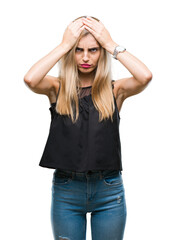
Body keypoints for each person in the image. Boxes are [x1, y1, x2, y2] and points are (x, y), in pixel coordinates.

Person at [24, 15, 152, 240]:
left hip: (108, 190)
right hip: (67, 189)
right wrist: (64, 45)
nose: (85, 57)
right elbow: (31, 79)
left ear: (101, 52)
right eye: (78, 50)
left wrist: (110, 44)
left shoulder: (114, 90)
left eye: (93, 50)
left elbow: (145, 76)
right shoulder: (58, 88)